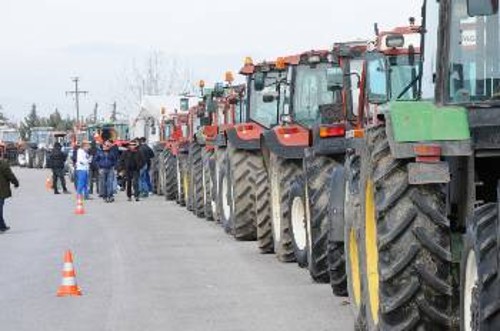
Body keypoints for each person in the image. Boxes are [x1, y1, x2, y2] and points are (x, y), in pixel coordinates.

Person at [0, 154, 19, 232]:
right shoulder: (3, 164)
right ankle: (2, 227)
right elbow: (10, 175)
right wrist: (16, 183)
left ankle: (2, 226)